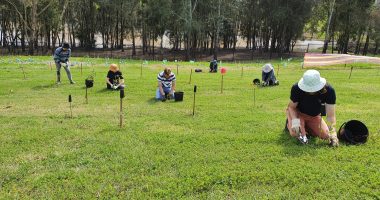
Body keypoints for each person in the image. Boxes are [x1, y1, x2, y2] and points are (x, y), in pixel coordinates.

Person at [286, 70, 339, 147]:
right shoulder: (296, 88)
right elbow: (291, 107)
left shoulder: (329, 91)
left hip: (314, 116)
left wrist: (333, 132)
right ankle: (291, 123)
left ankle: (305, 126)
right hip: (298, 113)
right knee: (295, 133)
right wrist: (295, 121)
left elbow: (331, 116)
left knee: (325, 136)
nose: (310, 91)